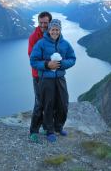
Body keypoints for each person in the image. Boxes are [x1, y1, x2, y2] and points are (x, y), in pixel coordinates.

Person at [30, 19, 76, 142]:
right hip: (46, 79)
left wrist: (62, 64)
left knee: (63, 103)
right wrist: (47, 65)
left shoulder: (65, 44)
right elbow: (33, 61)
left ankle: (58, 127)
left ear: (60, 30)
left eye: (57, 29)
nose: (54, 31)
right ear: (49, 30)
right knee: (48, 105)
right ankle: (50, 131)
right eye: (52, 29)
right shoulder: (41, 44)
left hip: (60, 77)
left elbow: (72, 58)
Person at [28, 11, 52, 142]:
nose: (43, 25)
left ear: (49, 23)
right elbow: (32, 58)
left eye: (45, 23)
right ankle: (33, 131)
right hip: (38, 75)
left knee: (49, 102)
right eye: (41, 22)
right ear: (38, 22)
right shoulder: (33, 37)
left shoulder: (53, 34)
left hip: (50, 75)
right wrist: (48, 63)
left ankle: (47, 127)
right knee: (39, 103)